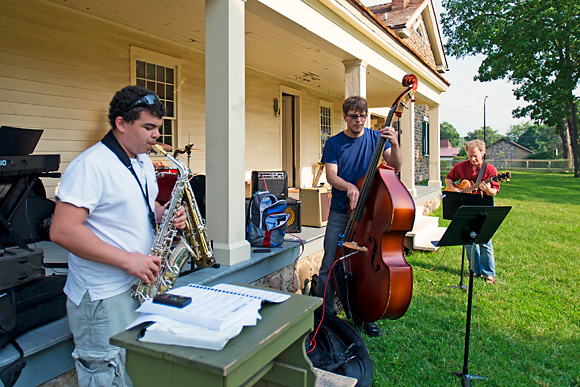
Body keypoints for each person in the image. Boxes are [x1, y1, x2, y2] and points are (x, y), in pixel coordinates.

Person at [50, 85, 187, 386]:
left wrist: (166, 214)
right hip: (102, 297)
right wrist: (127, 260)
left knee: (134, 372)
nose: (157, 136)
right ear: (121, 124)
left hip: (137, 286)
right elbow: (62, 230)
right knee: (109, 377)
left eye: (158, 128)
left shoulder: (141, 162)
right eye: (148, 127)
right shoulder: (91, 165)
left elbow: (141, 206)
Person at [315, 96, 402, 337]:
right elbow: (331, 176)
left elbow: (395, 165)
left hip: (369, 214)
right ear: (344, 117)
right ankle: (324, 316)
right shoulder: (334, 143)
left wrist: (394, 144)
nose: (359, 120)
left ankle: (365, 315)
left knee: (364, 267)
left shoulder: (376, 138)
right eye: (353, 116)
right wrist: (350, 186)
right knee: (329, 264)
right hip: (341, 212)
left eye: (362, 116)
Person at [445, 139, 500, 284]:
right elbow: (449, 179)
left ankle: (489, 273)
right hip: (466, 205)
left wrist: (487, 189)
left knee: (485, 239)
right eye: (470, 156)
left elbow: (494, 192)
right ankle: (474, 270)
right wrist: (452, 188)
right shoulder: (461, 166)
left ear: (482, 153)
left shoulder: (490, 170)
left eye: (475, 156)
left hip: (483, 205)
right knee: (468, 239)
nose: (472, 159)